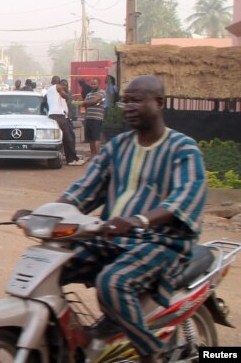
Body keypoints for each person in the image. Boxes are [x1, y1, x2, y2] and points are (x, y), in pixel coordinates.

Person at [12, 75, 206, 363]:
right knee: (48, 270)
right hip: (111, 236)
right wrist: (40, 214)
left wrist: (139, 220)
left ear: (159, 103)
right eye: (125, 100)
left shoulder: (183, 148)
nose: (128, 106)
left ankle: (152, 352)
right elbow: (82, 191)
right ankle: (72, 344)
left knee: (113, 282)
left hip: (162, 241)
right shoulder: (117, 147)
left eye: (136, 100)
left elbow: (183, 199)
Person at [45, 76, 83, 166]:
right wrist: (66, 95)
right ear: (58, 83)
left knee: (62, 138)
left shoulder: (49, 90)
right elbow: (65, 95)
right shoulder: (57, 87)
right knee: (68, 138)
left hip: (52, 114)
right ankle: (74, 159)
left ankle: (70, 159)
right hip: (59, 115)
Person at [83, 77, 105, 158]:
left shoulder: (102, 92)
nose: (92, 85)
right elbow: (85, 104)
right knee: (90, 138)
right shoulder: (89, 94)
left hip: (97, 118)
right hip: (89, 117)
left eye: (94, 84)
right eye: (91, 84)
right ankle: (93, 155)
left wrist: (89, 102)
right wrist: (90, 103)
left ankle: (97, 155)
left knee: (96, 137)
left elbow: (94, 101)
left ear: (99, 84)